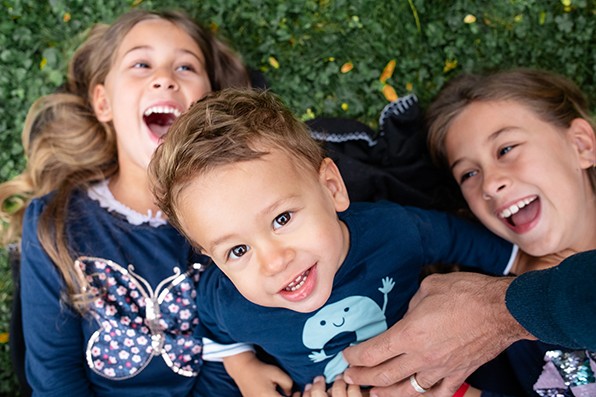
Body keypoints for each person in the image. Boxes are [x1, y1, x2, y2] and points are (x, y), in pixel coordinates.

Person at [148, 88, 523, 395]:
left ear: (331, 188)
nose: (274, 261)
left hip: (430, 375)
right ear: (211, 256)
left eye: (281, 219)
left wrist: (522, 265)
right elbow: (209, 321)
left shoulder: (392, 231)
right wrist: (243, 367)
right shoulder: (232, 303)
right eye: (237, 250)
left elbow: (454, 237)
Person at [0, 9, 293, 397]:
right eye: (141, 63)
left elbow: (235, 341)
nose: (164, 79)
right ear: (103, 102)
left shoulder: (237, 213)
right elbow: (54, 375)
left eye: (186, 67)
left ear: (208, 105)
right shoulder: (55, 222)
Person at [342, 68, 596, 397]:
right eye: (469, 173)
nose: (489, 184)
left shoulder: (489, 316)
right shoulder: (475, 332)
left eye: (506, 149)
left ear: (581, 145)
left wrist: (504, 311)